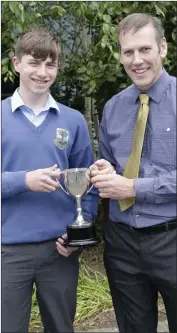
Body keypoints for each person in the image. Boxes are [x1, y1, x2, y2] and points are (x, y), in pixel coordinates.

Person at [2, 27, 98, 333]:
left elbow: (90, 183)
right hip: (8, 250)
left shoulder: (73, 120)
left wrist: (80, 233)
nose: (42, 72)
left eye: (50, 64)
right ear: (16, 63)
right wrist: (23, 180)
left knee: (61, 327)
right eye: (34, 62)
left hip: (59, 250)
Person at [90, 13, 176, 333]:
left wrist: (134, 188)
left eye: (144, 49)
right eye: (128, 52)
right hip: (122, 244)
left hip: (172, 238)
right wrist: (102, 171)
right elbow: (110, 164)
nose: (136, 60)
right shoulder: (112, 107)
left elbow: (129, 185)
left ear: (162, 48)